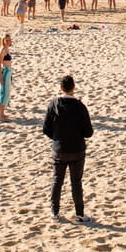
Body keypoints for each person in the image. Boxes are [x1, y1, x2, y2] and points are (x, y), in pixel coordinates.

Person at [42, 75, 94, 223]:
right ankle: (79, 214)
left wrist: (57, 138)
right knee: (76, 182)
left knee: (57, 180)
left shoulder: (54, 104)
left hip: (59, 148)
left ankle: (55, 212)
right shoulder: (80, 106)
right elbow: (88, 132)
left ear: (61, 88)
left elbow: (46, 128)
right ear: (73, 88)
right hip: (77, 149)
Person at [0, 34, 13, 120]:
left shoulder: (7, 49)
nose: (8, 42)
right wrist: (0, 76)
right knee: (4, 92)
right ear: (3, 41)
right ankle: (1, 114)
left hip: (9, 70)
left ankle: (3, 112)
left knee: (7, 91)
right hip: (5, 71)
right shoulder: (2, 50)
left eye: (9, 40)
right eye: (6, 40)